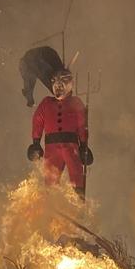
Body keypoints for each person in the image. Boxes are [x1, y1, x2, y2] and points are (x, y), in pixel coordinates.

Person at [27, 69, 94, 197]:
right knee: (51, 175)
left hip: (71, 146)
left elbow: (82, 125)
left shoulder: (75, 103)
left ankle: (78, 197)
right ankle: (52, 201)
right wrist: (36, 142)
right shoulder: (47, 103)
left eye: (61, 84)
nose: (58, 88)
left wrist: (84, 145)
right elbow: (38, 120)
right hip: (51, 147)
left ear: (69, 85)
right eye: (56, 85)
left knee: (76, 171)